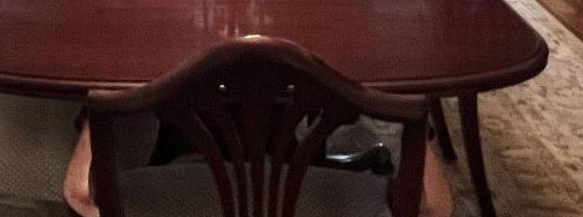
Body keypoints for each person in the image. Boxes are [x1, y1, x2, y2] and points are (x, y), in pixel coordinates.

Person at [61, 119, 457, 216]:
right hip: (318, 197)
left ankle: (180, 121)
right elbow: (435, 208)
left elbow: (81, 194)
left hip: (154, 196)